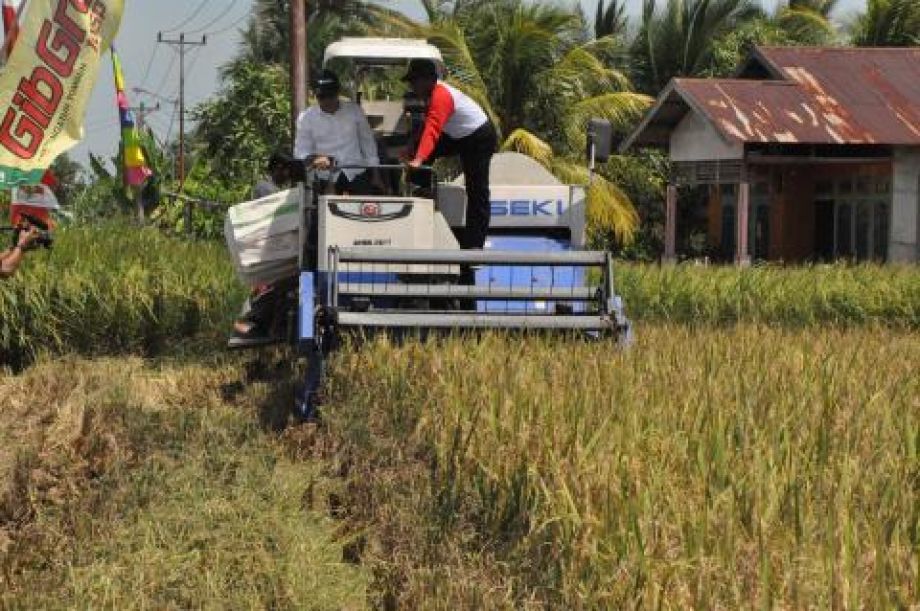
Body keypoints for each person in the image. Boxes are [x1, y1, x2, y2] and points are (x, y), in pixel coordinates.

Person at [402, 59, 497, 249]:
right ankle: (423, 193)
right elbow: (424, 131)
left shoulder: (441, 96)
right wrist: (411, 150)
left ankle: (474, 246)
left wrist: (419, 159)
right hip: (457, 135)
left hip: (479, 137)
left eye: (414, 81)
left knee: (477, 191)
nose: (411, 86)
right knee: (419, 150)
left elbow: (433, 129)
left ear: (428, 80)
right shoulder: (428, 95)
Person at [294, 70, 380, 195]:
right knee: (320, 212)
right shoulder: (306, 118)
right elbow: (301, 152)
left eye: (331, 95)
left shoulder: (354, 111)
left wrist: (376, 176)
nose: (327, 100)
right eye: (322, 97)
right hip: (324, 176)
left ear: (337, 93)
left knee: (366, 210)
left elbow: (368, 144)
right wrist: (315, 160)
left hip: (355, 172)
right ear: (316, 96)